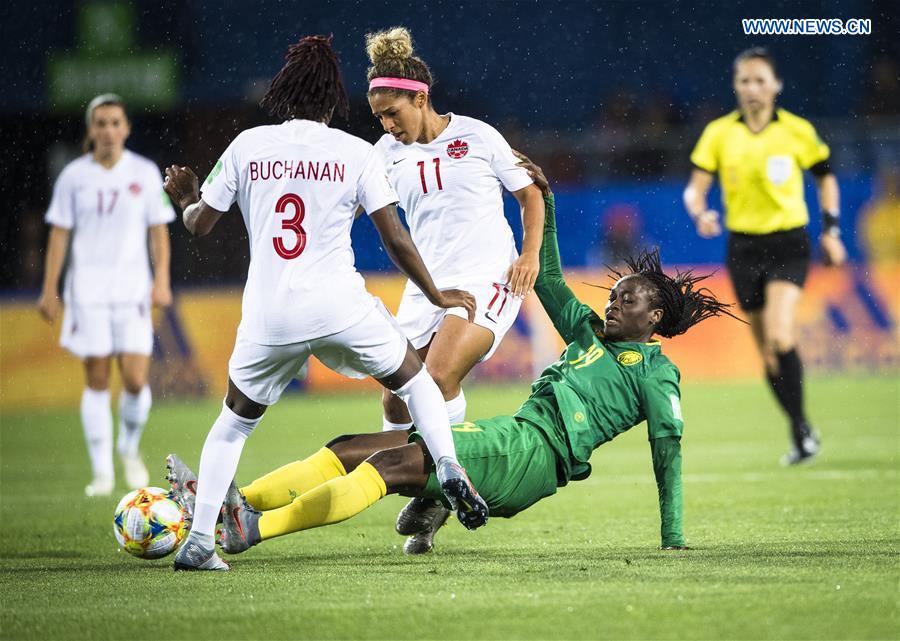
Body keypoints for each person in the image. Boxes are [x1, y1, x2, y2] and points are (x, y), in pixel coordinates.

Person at [167, 154, 740, 560]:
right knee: (349, 448)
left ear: (656, 316)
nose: (613, 305)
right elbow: (547, 278)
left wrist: (673, 538)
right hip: (510, 435)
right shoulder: (590, 336)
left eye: (627, 300)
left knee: (387, 468)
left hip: (531, 459)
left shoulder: (660, 375)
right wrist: (547, 205)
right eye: (614, 296)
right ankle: (225, 505)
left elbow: (668, 454)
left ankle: (253, 529)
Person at [161, 35, 488, 572]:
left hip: (268, 314)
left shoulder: (248, 144)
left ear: (282, 94)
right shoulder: (356, 152)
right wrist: (437, 295)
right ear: (335, 101)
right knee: (416, 382)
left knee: (234, 424)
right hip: (338, 307)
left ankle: (199, 542)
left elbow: (200, 223)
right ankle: (448, 467)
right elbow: (396, 239)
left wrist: (187, 197)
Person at [364, 27, 545, 552]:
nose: (387, 123)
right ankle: (429, 484)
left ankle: (442, 489)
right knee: (397, 399)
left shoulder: (478, 137)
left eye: (393, 112)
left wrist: (529, 254)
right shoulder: (383, 154)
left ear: (420, 98)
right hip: (427, 287)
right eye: (379, 116)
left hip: (488, 279)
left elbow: (530, 195)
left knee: (437, 376)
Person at [682, 47, 848, 466]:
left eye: (760, 80)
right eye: (744, 81)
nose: (753, 88)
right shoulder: (719, 133)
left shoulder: (796, 131)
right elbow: (694, 188)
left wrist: (831, 231)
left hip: (788, 243)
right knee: (768, 353)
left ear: (776, 86)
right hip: (743, 248)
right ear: (735, 87)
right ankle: (801, 428)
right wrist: (701, 212)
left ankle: (800, 429)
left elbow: (826, 179)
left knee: (779, 332)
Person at [38, 93, 174, 497]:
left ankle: (128, 448)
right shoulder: (74, 177)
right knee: (97, 379)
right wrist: (50, 289)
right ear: (90, 129)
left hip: (132, 289)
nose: (109, 130)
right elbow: (59, 235)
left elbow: (159, 232)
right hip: (87, 293)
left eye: (115, 122)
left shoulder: (145, 173)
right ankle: (101, 472)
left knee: (134, 379)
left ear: (126, 128)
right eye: (101, 123)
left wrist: (162, 279)